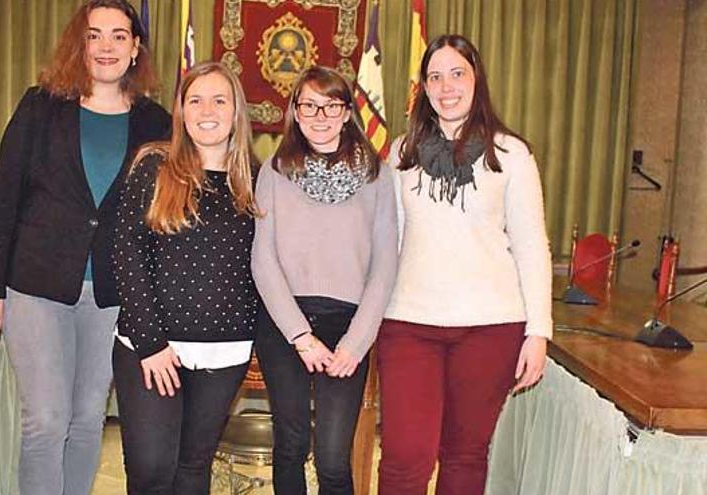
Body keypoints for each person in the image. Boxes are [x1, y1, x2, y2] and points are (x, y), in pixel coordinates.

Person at [0, 1, 170, 493]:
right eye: (94, 35)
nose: (106, 47)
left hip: (111, 294)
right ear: (78, 44)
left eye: (118, 36)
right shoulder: (40, 106)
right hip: (37, 287)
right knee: (46, 420)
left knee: (86, 420)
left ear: (135, 47)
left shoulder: (157, 123)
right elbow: (3, 202)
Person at [378, 34, 552, 495]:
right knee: (404, 458)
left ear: (477, 80)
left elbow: (532, 244)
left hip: (491, 327)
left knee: (465, 457)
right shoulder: (400, 155)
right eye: (435, 76)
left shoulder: (512, 154)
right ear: (423, 87)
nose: (446, 85)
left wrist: (539, 330)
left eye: (458, 73)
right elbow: (387, 242)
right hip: (408, 324)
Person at [111, 61, 260, 495]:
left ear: (236, 112)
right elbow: (126, 253)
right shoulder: (153, 166)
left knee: (193, 469)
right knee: (152, 468)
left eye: (219, 100)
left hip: (225, 351)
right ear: (181, 111)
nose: (206, 109)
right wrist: (152, 343)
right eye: (195, 100)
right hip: (154, 348)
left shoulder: (257, 179)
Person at [251, 65, 398, 494]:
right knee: (291, 445)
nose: (320, 115)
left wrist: (354, 344)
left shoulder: (376, 175)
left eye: (330, 105)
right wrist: (300, 335)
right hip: (285, 324)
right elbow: (263, 259)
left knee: (334, 457)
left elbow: (385, 265)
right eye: (309, 105)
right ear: (295, 112)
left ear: (347, 111)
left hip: (347, 328)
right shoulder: (275, 171)